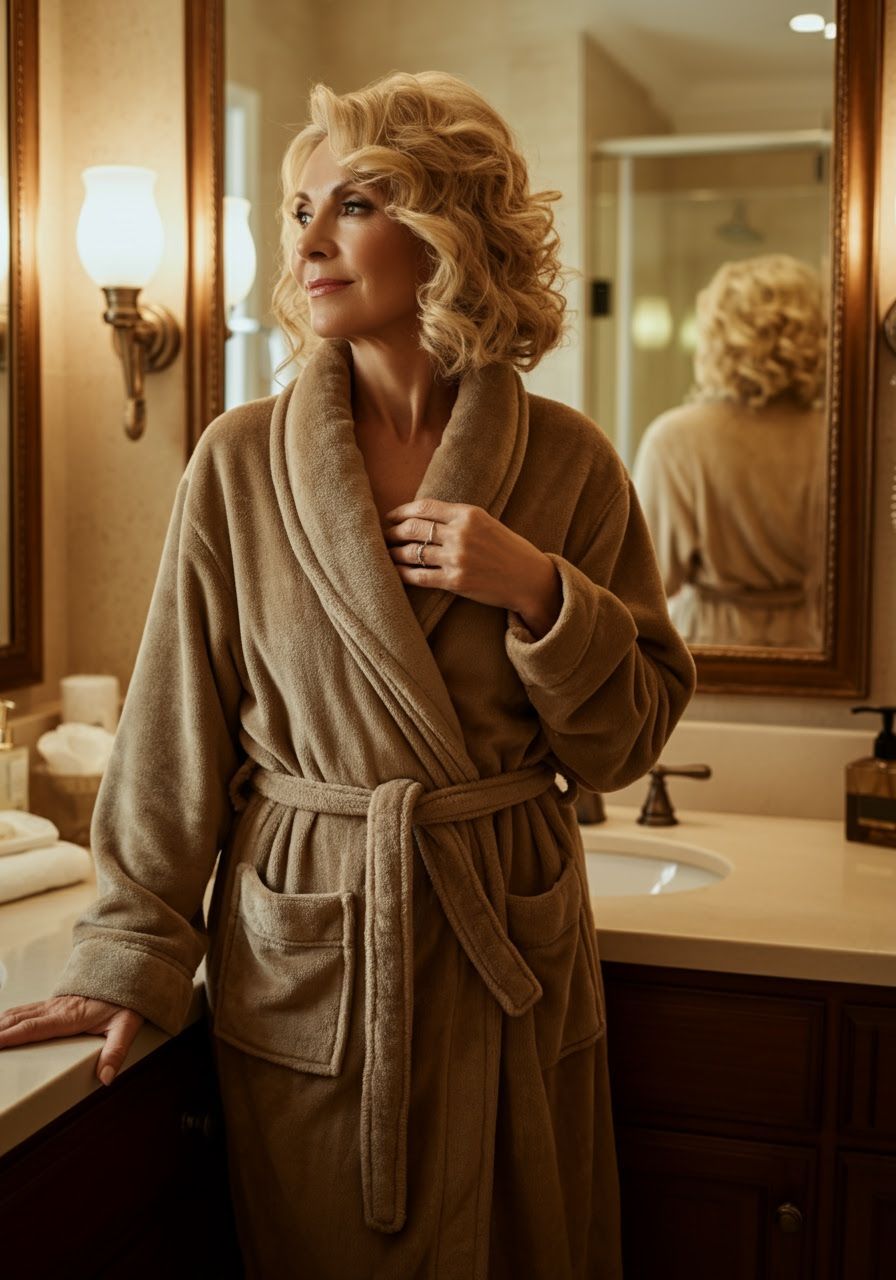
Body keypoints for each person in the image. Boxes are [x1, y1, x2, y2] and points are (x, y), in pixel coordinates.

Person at [0, 71, 696, 1278]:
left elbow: (620, 747)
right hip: (319, 962)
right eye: (299, 208)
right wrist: (128, 958)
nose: (310, 241)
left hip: (507, 953)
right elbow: (176, 732)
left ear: (447, 233)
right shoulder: (237, 460)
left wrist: (540, 592)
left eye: (356, 204)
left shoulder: (571, 463)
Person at [632, 253, 829, 649]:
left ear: (716, 335)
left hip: (709, 649)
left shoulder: (675, 438)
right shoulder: (836, 435)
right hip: (813, 647)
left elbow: (650, 582)